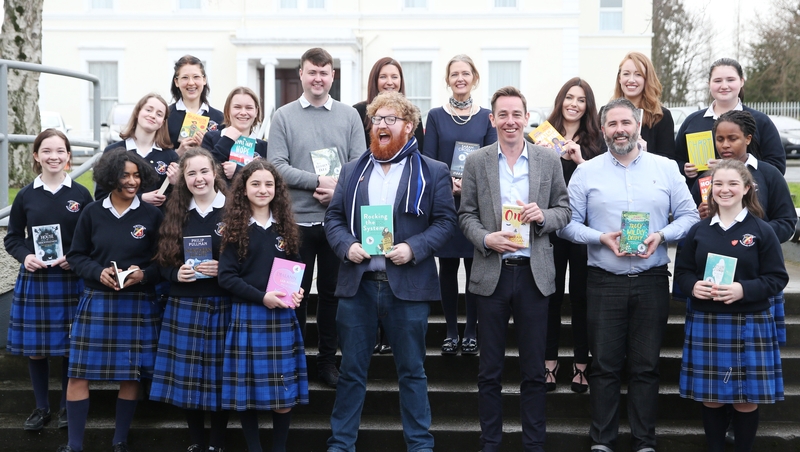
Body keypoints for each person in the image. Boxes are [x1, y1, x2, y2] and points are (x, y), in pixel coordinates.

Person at [558, 97, 700, 452]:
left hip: (652, 280)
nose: (620, 129)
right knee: (603, 366)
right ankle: (602, 441)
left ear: (637, 125)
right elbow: (567, 226)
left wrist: (661, 235)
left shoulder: (666, 168)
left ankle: (644, 441)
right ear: (603, 128)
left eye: (626, 122)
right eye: (612, 124)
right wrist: (600, 238)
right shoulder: (586, 172)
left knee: (646, 367)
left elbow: (689, 217)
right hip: (604, 282)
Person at [324, 91, 456, 452]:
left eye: (389, 119)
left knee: (412, 372)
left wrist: (414, 248)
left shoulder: (433, 171)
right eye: (376, 119)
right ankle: (340, 445)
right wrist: (345, 245)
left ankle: (419, 445)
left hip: (408, 287)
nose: (380, 125)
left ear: (408, 126)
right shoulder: (353, 170)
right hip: (360, 284)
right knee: (351, 373)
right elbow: (333, 218)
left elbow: (446, 222)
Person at [459, 86, 571, 452]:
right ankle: (489, 443)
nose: (510, 121)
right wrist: (485, 239)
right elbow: (466, 215)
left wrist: (544, 216)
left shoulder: (547, 160)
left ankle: (533, 445)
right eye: (502, 115)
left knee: (534, 372)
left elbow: (565, 210)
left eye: (516, 114)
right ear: (492, 120)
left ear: (527, 118)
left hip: (533, 274)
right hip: (491, 272)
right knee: (489, 371)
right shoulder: (476, 162)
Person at [267, 47, 366, 388]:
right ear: (301, 75)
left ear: (332, 76)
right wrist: (317, 182)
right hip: (294, 224)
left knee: (331, 296)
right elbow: (276, 166)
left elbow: (359, 164)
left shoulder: (350, 116)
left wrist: (335, 191)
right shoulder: (282, 116)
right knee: (293, 295)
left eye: (324, 73)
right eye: (312, 72)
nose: (318, 79)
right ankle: (292, 361)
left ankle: (327, 362)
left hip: (337, 224)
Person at [675, 159, 787, 452]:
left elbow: (777, 278)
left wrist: (742, 289)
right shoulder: (698, 231)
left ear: (747, 188)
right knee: (711, 396)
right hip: (707, 320)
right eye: (719, 184)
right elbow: (683, 273)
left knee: (746, 399)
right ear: (711, 190)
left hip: (751, 322)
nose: (725, 190)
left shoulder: (763, 231)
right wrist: (692, 286)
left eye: (733, 184)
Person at [58, 148, 164, 452]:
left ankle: (119, 441)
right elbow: (77, 255)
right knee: (78, 372)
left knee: (130, 375)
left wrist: (142, 275)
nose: (132, 181)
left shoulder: (152, 215)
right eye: (124, 175)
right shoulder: (91, 212)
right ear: (110, 177)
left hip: (137, 302)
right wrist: (97, 272)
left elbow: (163, 264)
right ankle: (74, 445)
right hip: (97, 299)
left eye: (136, 175)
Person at [5, 129, 93, 432]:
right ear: (36, 156)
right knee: (36, 348)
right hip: (37, 278)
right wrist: (25, 255)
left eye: (60, 151)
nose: (53, 157)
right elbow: (13, 237)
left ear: (68, 156)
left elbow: (93, 237)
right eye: (47, 151)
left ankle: (68, 406)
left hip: (71, 279)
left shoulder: (81, 194)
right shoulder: (26, 195)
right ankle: (41, 408)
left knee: (71, 346)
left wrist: (76, 257)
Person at [217, 160, 308, 452]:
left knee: (283, 391)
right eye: (255, 183)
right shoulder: (234, 229)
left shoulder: (286, 228)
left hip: (281, 316)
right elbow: (226, 277)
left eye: (269, 184)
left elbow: (293, 271)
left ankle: (278, 448)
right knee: (246, 394)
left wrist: (297, 293)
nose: (262, 189)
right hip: (247, 315)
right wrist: (262, 297)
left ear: (277, 189)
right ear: (243, 189)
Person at [150, 147, 231, 452]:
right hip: (184, 304)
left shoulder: (235, 210)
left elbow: (250, 259)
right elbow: (161, 263)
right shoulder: (175, 213)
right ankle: (197, 443)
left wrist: (225, 269)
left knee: (219, 377)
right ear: (183, 179)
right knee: (189, 379)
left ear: (215, 173)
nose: (199, 178)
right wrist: (175, 275)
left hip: (223, 303)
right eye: (191, 173)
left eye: (204, 171)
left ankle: (218, 443)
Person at [423, 54, 497, 355]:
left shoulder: (486, 116)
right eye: (454, 74)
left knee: (476, 268)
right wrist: (448, 183)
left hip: (477, 203)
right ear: (448, 79)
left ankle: (471, 331)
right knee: (448, 268)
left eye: (465, 73)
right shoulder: (436, 115)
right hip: (445, 201)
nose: (460, 79)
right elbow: (428, 158)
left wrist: (470, 185)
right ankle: (451, 331)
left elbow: (492, 157)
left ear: (474, 78)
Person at [539, 77, 603, 393]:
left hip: (581, 229)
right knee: (549, 295)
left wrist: (580, 161)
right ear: (560, 100)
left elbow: (604, 184)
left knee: (580, 297)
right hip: (549, 228)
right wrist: (540, 155)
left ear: (587, 105)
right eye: (569, 97)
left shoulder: (596, 140)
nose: (573, 103)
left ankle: (581, 364)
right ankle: (549, 362)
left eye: (580, 99)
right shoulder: (542, 134)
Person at [677, 58, 786, 180]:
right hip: (701, 197)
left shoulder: (760, 121)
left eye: (730, 80)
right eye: (717, 81)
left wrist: (734, 168)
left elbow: (777, 165)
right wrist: (684, 169)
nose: (724, 86)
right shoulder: (692, 121)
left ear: (741, 81)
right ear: (709, 84)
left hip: (749, 197)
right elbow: (675, 161)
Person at [97, 93, 179, 208]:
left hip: (158, 224)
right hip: (122, 222)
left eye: (159, 114)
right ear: (137, 112)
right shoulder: (113, 151)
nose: (153, 115)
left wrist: (176, 184)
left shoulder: (171, 157)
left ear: (163, 123)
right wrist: (140, 199)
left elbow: (179, 204)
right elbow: (101, 196)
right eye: (149, 110)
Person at [606, 51, 675, 160]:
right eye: (626, 74)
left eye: (638, 74)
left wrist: (645, 154)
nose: (631, 80)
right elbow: (598, 154)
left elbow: (669, 162)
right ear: (619, 78)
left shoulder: (661, 116)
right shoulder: (606, 114)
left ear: (647, 79)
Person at [353, 57, 425, 150]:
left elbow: (419, 150)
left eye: (394, 77)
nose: (390, 82)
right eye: (383, 77)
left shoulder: (412, 112)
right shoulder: (358, 112)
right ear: (375, 80)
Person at [202, 86, 268, 184]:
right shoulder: (211, 137)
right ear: (228, 110)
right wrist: (227, 141)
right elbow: (204, 170)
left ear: (256, 112)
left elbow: (267, 180)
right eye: (237, 107)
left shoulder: (263, 146)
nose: (243, 112)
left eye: (249, 108)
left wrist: (239, 170)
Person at [168, 55, 224, 156]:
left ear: (204, 80)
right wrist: (177, 153)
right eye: (185, 77)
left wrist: (206, 145)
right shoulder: (165, 116)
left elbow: (224, 154)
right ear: (176, 82)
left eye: (196, 77)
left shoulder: (220, 118)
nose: (191, 83)